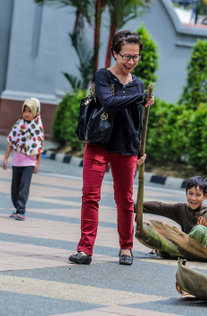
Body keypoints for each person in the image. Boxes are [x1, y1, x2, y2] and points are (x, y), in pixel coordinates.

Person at [69, 30, 155, 266]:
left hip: (126, 148)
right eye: (126, 56)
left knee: (125, 201)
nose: (131, 62)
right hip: (98, 144)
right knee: (90, 196)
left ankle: (126, 248)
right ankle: (85, 249)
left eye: (135, 57)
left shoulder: (139, 85)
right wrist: (139, 99)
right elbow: (108, 102)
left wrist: (139, 150)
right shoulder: (103, 77)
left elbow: (137, 121)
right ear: (115, 54)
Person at [140, 176, 207, 248]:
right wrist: (135, 206)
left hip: (203, 252)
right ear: (186, 193)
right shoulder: (181, 209)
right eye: (190, 193)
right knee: (166, 230)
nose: (193, 198)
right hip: (186, 248)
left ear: (205, 196)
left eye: (198, 195)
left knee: (200, 230)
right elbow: (159, 206)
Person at [2, 98, 44, 221]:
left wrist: (37, 164)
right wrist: (5, 159)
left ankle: (21, 210)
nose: (26, 114)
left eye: (30, 111)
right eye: (25, 111)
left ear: (36, 112)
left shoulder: (38, 127)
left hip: (29, 163)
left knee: (23, 187)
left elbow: (39, 147)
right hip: (17, 161)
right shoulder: (18, 124)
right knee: (15, 188)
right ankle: (16, 208)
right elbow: (11, 141)